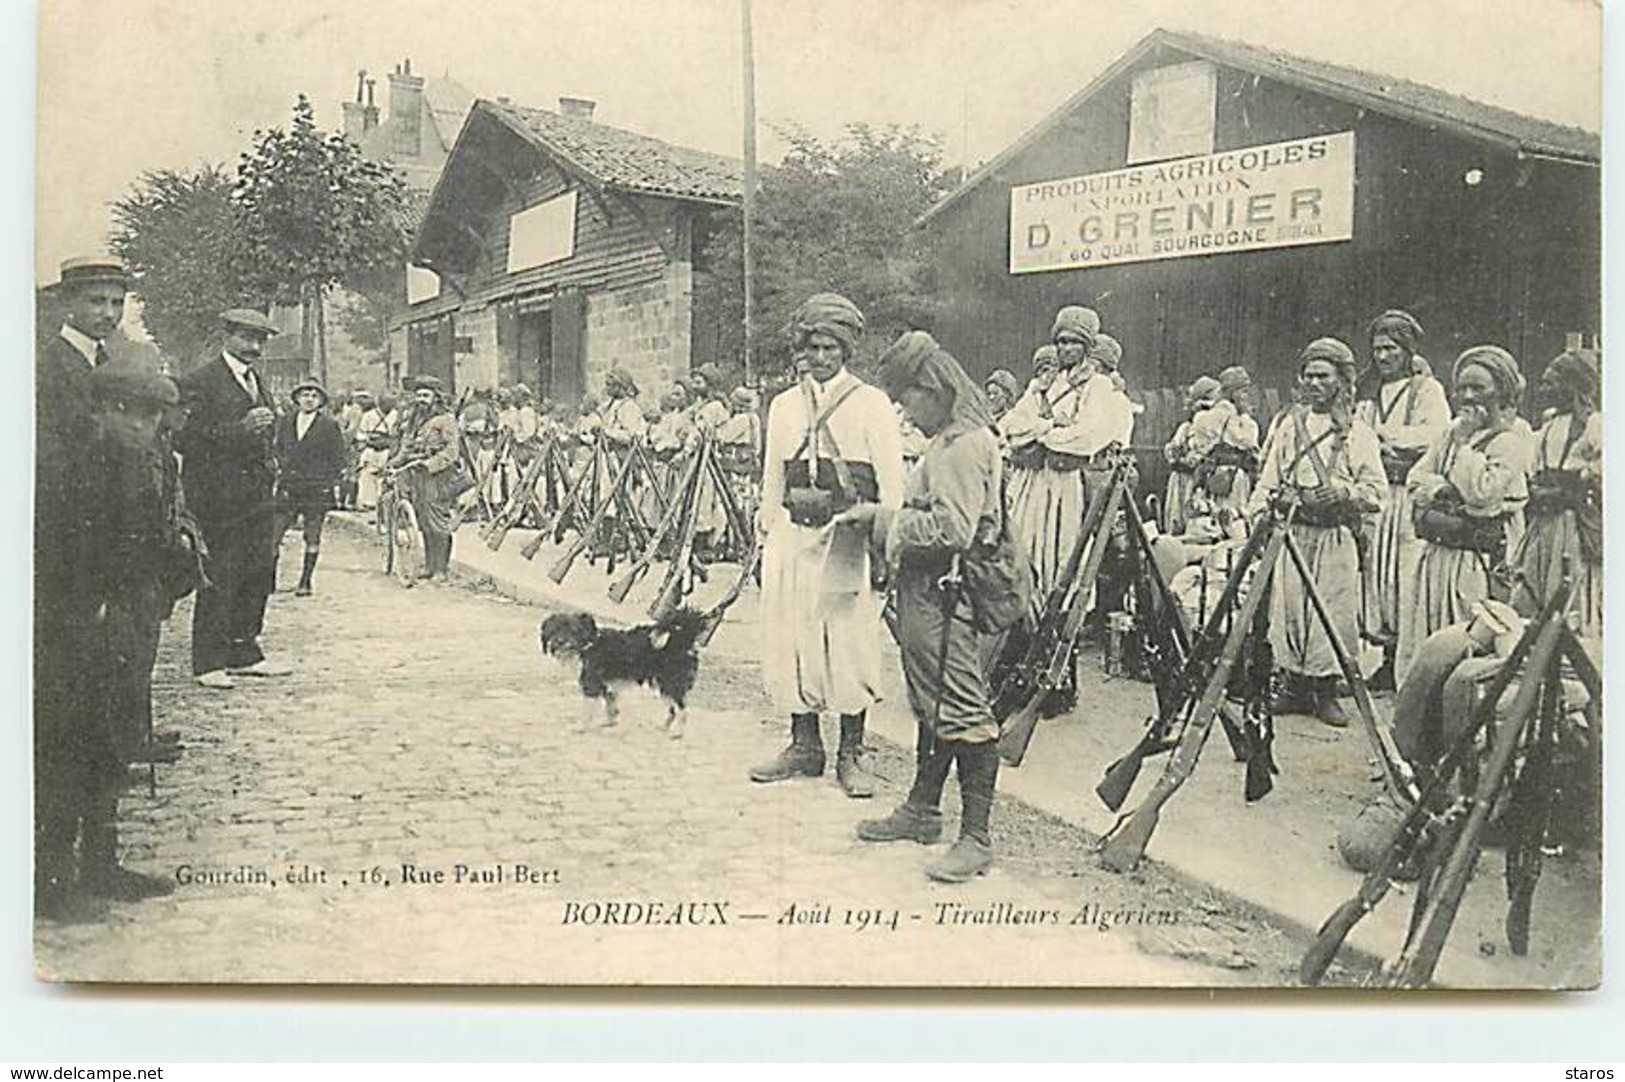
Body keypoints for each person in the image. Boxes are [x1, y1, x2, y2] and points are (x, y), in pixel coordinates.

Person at [845, 331, 1015, 881]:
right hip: (929, 592)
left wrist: (882, 520)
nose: (904, 409)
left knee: (962, 707)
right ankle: (922, 810)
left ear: (935, 388)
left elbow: (954, 528)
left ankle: (977, 837)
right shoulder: (948, 440)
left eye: (908, 396)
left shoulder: (964, 445)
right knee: (932, 702)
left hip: (950, 593)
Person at [34, 257, 158, 921]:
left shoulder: (123, 364)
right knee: (63, 730)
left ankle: (102, 863)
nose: (107, 313)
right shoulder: (47, 371)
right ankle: (51, 881)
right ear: (68, 302)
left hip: (118, 571)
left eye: (116, 302)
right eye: (95, 301)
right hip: (69, 578)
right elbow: (51, 487)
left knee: (110, 719)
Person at [751, 293, 905, 798]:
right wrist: (768, 528)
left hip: (847, 537)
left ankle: (851, 752)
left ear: (846, 350)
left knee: (846, 641)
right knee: (793, 635)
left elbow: (891, 481)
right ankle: (804, 744)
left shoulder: (870, 403)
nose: (821, 357)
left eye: (831, 347)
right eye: (813, 346)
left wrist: (887, 541)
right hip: (794, 535)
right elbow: (772, 473)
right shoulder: (784, 405)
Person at [1247, 338, 1386, 727]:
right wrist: (1258, 514)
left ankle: (1325, 691)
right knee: (1290, 606)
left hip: (1334, 535)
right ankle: (1293, 686)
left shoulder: (1359, 433)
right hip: (1294, 531)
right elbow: (1269, 476)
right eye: (1307, 376)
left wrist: (1344, 492)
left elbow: (1378, 491)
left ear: (1342, 381)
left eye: (1323, 376)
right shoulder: (1290, 428)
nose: (1313, 383)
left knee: (1331, 608)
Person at [1398, 346, 1534, 682]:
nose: (1468, 397)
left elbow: (1484, 496)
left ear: (1500, 391)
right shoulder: (1452, 431)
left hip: (1478, 559)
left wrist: (1458, 460)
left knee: (1467, 638)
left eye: (1479, 389)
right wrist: (1446, 488)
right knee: (1428, 636)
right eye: (1462, 388)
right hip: (1438, 553)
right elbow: (1416, 479)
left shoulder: (1512, 438)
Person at [176, 308, 290, 690]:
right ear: (225, 335)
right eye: (246, 338)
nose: (254, 347)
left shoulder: (258, 380)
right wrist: (237, 431)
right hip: (217, 499)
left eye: (260, 340)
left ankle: (243, 652)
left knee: (257, 573)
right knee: (220, 575)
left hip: (257, 498)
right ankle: (208, 661)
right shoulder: (199, 381)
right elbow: (184, 437)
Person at [1354, 310, 1451, 688]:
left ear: (1408, 350)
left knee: (1406, 575)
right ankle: (1387, 660)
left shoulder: (1427, 390)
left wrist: (1385, 436)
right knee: (1379, 574)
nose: (1383, 356)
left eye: (1391, 348)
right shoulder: (1370, 393)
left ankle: (1410, 670)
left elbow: (1436, 434)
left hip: (1408, 495)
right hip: (1381, 496)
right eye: (1378, 349)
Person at [1513, 349, 1601, 639]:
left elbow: (1600, 469)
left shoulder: (1594, 425)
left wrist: (1578, 482)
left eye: (1552, 383)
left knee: (1567, 584)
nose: (1545, 389)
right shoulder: (1548, 426)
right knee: (1532, 584)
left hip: (1571, 522)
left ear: (1572, 385)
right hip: (1544, 521)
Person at [273, 377, 347, 597]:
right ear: (297, 398)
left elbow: (338, 458)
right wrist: (281, 468)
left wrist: (328, 483)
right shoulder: (285, 421)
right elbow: (277, 448)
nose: (309, 399)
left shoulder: (329, 425)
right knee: (274, 534)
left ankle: (305, 581)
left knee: (312, 536)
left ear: (321, 401)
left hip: (316, 487)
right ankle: (269, 580)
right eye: (305, 395)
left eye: (314, 396)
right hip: (289, 485)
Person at [388, 376, 464, 581]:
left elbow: (451, 452)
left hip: (439, 478)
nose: (421, 399)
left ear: (436, 398)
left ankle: (441, 569)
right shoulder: (414, 420)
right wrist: (392, 464)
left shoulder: (446, 420)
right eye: (418, 395)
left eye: (426, 395)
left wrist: (430, 465)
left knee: (438, 522)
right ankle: (430, 567)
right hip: (417, 477)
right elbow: (406, 448)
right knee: (424, 522)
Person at [1187, 366, 1262, 532]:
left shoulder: (1203, 417)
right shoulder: (1238, 419)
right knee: (1233, 520)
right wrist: (1244, 415)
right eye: (1243, 391)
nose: (1246, 397)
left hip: (1209, 474)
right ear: (1233, 392)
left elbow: (1197, 445)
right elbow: (1248, 443)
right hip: (1233, 476)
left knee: (1207, 516)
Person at [1164, 376, 1220, 537]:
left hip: (1204, 483)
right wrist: (1181, 458)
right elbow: (1172, 452)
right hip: (1183, 479)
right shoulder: (1186, 429)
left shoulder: (1216, 430)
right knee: (1178, 520)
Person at [355, 392, 392, 512]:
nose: (387, 406)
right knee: (368, 475)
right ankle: (369, 502)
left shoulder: (397, 415)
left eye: (390, 403)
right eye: (385, 402)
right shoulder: (369, 415)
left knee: (385, 476)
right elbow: (361, 433)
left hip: (387, 449)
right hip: (371, 449)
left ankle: (383, 502)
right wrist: (367, 438)